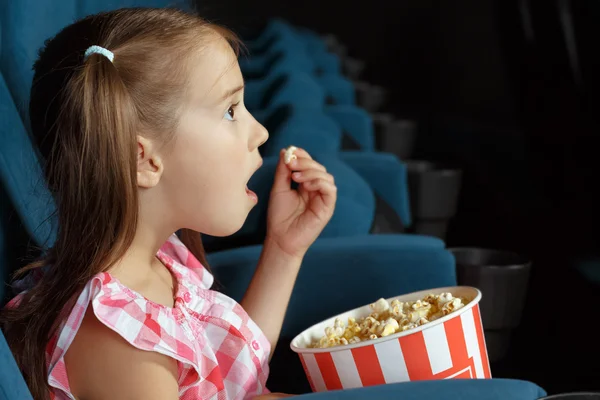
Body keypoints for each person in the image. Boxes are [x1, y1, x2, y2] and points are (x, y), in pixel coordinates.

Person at [0, 7, 336, 400]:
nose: (260, 132)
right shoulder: (117, 336)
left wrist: (284, 248)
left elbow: (233, 374)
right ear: (145, 159)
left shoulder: (158, 259)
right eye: (230, 111)